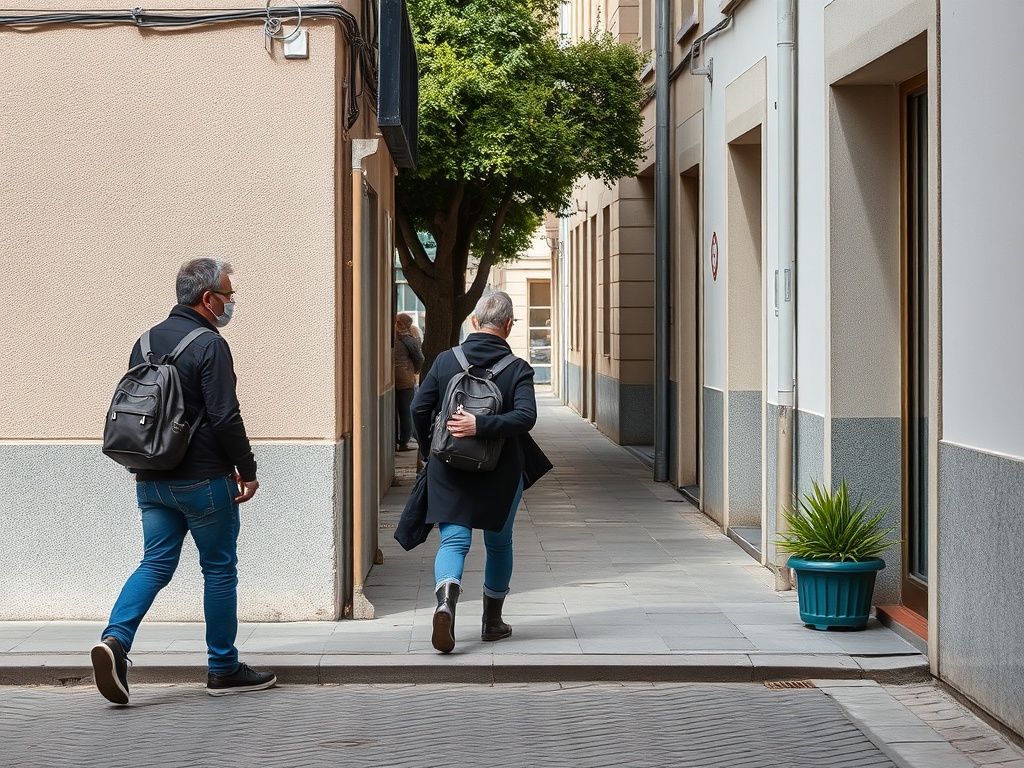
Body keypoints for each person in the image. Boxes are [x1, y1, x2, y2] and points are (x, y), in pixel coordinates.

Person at [91, 258, 276, 704]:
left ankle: (115, 640)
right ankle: (223, 668)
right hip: (203, 480)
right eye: (228, 296)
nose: (231, 303)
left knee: (155, 563)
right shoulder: (211, 344)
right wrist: (247, 469)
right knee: (219, 569)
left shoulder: (145, 340)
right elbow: (225, 416)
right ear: (208, 298)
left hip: (151, 476)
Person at [411, 291, 538, 653]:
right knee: (499, 544)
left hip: (449, 466)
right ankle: (492, 623)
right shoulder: (518, 368)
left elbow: (418, 408)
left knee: (453, 541)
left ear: (473, 321)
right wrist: (483, 426)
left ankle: (445, 606)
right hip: (501, 470)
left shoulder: (445, 361)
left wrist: (430, 451)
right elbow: (526, 417)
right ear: (509, 325)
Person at [394, 313, 423, 452]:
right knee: (405, 411)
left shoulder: (391, 338)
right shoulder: (407, 339)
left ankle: (394, 439)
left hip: (391, 378)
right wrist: (415, 370)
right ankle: (403, 441)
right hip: (405, 378)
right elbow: (419, 358)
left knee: (394, 411)